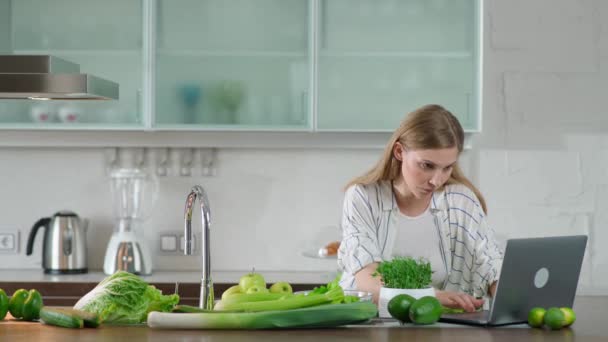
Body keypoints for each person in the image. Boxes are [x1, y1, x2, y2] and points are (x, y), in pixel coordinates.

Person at [337, 104, 503, 313]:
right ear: (399, 152)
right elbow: (369, 283)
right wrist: (432, 296)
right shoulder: (363, 197)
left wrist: (514, 299)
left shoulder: (461, 201)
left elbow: (490, 264)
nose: (437, 180)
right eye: (427, 165)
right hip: (369, 325)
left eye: (447, 168)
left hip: (438, 327)